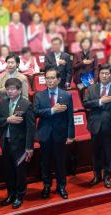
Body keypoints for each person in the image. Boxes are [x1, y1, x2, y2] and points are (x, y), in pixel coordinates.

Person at [34, 68, 74, 200]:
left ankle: (61, 186)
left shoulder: (66, 95)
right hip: (44, 134)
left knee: (60, 162)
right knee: (45, 162)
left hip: (60, 134)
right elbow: (36, 113)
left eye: (52, 78)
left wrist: (70, 135)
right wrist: (52, 110)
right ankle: (46, 186)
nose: (49, 81)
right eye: (47, 78)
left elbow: (70, 117)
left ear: (58, 80)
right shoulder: (39, 95)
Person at [83, 64, 111, 188]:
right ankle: (97, 176)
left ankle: (107, 177)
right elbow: (86, 104)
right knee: (95, 152)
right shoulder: (91, 89)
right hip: (94, 125)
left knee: (108, 152)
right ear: (99, 75)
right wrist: (101, 101)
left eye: (107, 74)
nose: (104, 76)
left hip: (109, 126)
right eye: (102, 73)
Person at [0, 78, 35, 209]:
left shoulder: (26, 104)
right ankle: (10, 194)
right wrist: (8, 119)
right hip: (6, 143)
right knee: (8, 171)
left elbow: (31, 128)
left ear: (19, 90)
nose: (10, 91)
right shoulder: (2, 103)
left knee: (20, 171)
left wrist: (29, 147)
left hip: (20, 145)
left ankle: (20, 195)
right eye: (8, 89)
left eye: (13, 89)